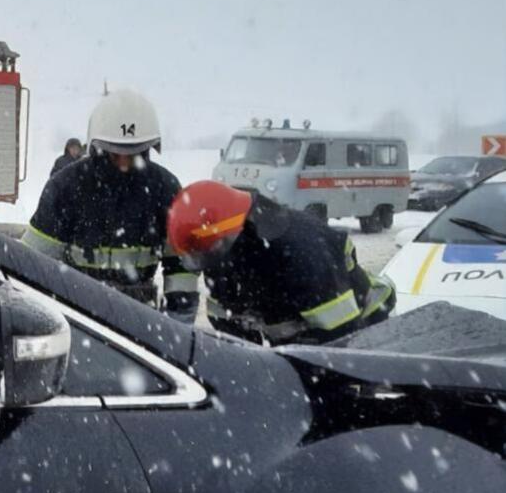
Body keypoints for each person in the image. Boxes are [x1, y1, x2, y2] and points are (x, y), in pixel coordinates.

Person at [22, 90, 199, 321]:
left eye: (133, 154)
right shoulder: (66, 187)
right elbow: (32, 261)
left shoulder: (165, 188)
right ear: (98, 149)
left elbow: (180, 266)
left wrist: (179, 319)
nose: (124, 164)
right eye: (115, 155)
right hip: (76, 315)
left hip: (140, 318)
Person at [167, 180, 395, 345]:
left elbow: (339, 339)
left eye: (206, 254)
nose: (209, 268)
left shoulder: (301, 254)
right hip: (306, 337)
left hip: (366, 324)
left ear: (235, 234)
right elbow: (226, 323)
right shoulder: (223, 256)